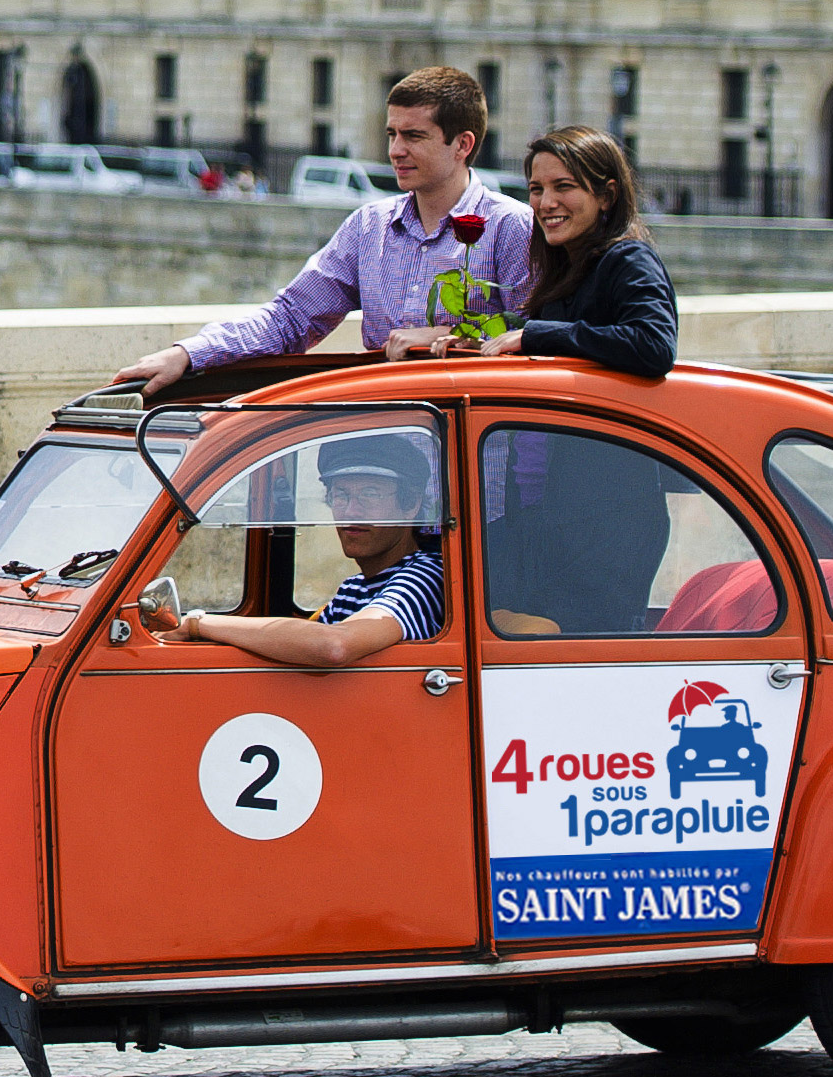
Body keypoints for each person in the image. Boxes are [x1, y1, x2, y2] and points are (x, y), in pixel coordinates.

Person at [122, 65, 532, 394]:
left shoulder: (509, 226)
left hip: (476, 448)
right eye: (391, 134)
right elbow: (291, 318)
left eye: (414, 136)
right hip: (386, 436)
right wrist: (188, 354)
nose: (395, 150)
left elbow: (533, 339)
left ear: (462, 145)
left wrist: (452, 337)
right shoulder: (369, 227)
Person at [145, 434, 445, 664]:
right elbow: (308, 639)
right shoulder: (354, 588)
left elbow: (333, 646)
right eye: (340, 495)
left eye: (370, 494)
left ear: (411, 505)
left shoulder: (424, 576)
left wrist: (197, 624)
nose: (351, 511)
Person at [463, 125, 677, 378]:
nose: (546, 203)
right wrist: (481, 346)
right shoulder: (562, 266)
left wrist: (539, 334)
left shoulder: (629, 259)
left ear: (607, 196)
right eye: (536, 189)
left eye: (563, 186)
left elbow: (654, 345)